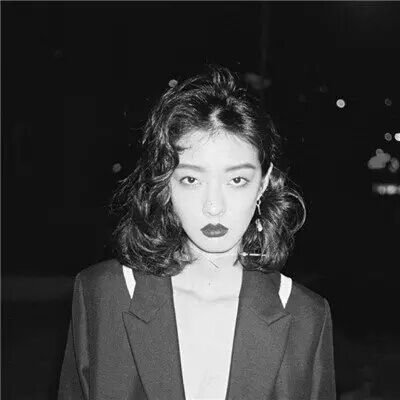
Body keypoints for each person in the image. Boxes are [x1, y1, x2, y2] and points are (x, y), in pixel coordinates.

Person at [58, 66, 336, 399]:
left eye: (236, 180)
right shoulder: (102, 294)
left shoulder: (306, 315)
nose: (213, 206)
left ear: (263, 183)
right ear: (166, 182)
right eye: (191, 179)